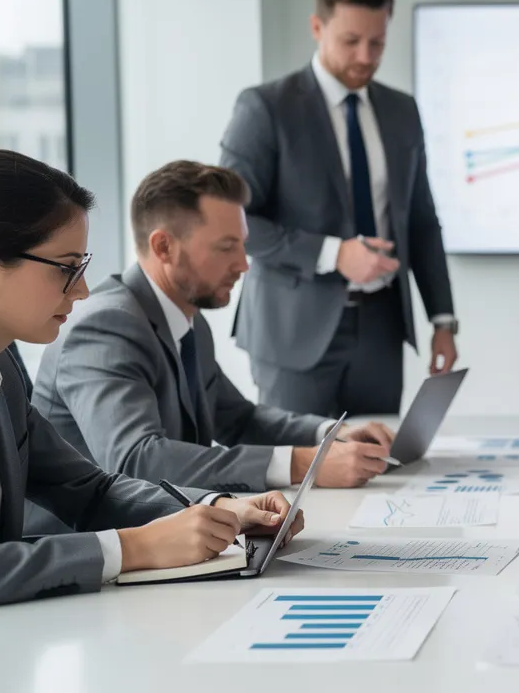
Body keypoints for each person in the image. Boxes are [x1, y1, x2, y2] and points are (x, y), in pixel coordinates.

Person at [0, 150, 302, 610]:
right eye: (68, 268)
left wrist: (217, 508)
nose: (83, 290)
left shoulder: (2, 370)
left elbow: (88, 488)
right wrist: (133, 548)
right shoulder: (102, 324)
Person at [30, 162, 395, 535]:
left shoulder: (186, 319)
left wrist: (330, 434)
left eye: (242, 244)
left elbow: (239, 419)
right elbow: (137, 459)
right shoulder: (105, 324)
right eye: (227, 247)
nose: (243, 264)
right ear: (164, 247)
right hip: (88, 551)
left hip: (175, 535)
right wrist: (305, 464)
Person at [219, 0, 456, 416]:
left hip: (383, 327)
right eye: (351, 41)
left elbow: (421, 220)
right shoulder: (265, 108)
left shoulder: (402, 111)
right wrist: (333, 253)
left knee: (378, 463)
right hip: (294, 330)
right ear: (317, 26)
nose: (366, 56)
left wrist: (442, 320)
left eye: (378, 43)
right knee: (302, 472)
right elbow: (234, 221)